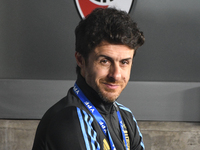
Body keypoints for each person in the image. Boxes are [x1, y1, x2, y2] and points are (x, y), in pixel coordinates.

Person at [32, 7, 145, 150]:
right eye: (105, 61)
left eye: (124, 62)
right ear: (81, 60)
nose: (116, 75)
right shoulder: (70, 119)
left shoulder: (126, 117)